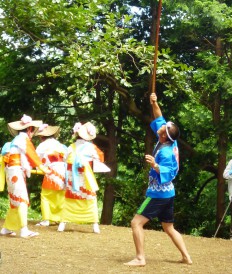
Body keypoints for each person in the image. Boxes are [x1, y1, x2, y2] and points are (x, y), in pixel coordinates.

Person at [124, 92, 192, 267]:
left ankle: (140, 258)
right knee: (168, 227)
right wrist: (154, 103)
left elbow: (169, 173)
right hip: (168, 194)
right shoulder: (169, 139)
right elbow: (159, 117)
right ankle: (186, 257)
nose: (159, 129)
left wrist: (155, 165)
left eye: (160, 131)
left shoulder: (167, 152)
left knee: (136, 223)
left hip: (158, 194)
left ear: (164, 136)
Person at [0, 114, 49, 238]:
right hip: (15, 171)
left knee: (15, 200)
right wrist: (44, 168)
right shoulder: (23, 139)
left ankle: (7, 228)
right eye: (32, 130)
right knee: (22, 199)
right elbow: (32, 156)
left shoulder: (16, 140)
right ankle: (24, 229)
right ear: (29, 130)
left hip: (12, 172)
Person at [57, 121, 109, 233]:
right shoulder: (92, 147)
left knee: (70, 196)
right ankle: (95, 224)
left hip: (72, 176)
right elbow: (99, 159)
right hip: (86, 175)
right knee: (90, 197)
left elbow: (64, 158)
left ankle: (63, 223)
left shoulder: (71, 146)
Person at [35, 124, 68, 227]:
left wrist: (39, 168)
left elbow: (36, 159)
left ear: (42, 136)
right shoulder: (60, 145)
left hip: (51, 170)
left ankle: (46, 220)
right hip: (63, 170)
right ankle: (59, 219)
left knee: (46, 195)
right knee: (60, 195)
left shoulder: (42, 145)